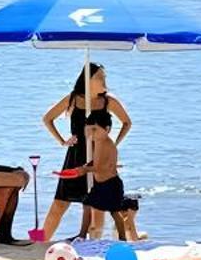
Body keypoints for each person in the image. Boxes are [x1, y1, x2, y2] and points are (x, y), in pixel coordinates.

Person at [39, 64, 131, 242]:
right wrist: (62, 141)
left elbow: (127, 122)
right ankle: (41, 243)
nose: (104, 81)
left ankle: (93, 243)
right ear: (88, 80)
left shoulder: (108, 101)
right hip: (75, 156)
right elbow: (47, 118)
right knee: (60, 203)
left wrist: (112, 144)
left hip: (98, 157)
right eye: (100, 77)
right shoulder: (73, 99)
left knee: (97, 205)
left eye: (105, 77)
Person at [77, 110, 144, 242]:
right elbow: (98, 162)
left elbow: (102, 167)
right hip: (100, 184)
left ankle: (123, 238)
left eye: (95, 129)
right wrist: (87, 165)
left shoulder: (106, 144)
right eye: (90, 130)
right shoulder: (98, 141)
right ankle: (82, 235)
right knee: (87, 205)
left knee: (115, 212)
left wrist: (86, 170)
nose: (92, 133)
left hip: (111, 184)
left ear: (107, 129)